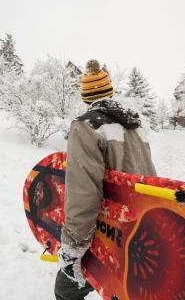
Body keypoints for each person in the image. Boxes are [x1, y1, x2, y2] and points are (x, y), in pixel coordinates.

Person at [54, 60, 157, 300]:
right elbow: (150, 174)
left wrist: (72, 249)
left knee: (66, 290)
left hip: (108, 231)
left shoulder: (86, 126)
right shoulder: (135, 126)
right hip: (141, 230)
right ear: (110, 92)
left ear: (85, 96)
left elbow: (83, 193)